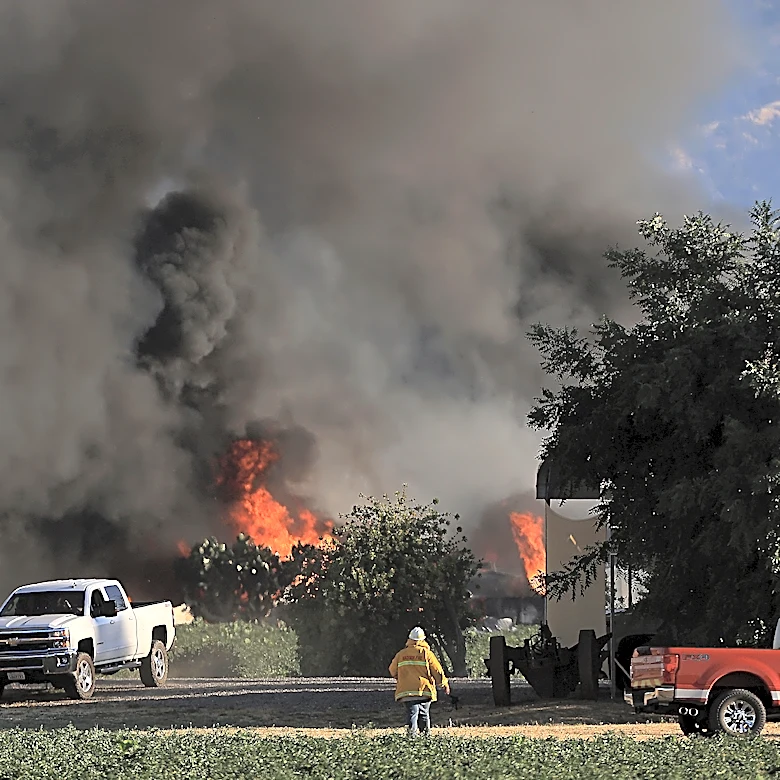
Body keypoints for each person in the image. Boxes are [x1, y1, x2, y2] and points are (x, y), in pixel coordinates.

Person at [388, 626, 449, 736]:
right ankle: (426, 737)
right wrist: (443, 684)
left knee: (412, 713)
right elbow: (437, 670)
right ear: (423, 640)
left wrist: (400, 677)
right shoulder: (427, 654)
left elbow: (392, 670)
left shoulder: (401, 654)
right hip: (424, 690)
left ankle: (412, 737)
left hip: (406, 691)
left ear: (410, 639)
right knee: (424, 713)